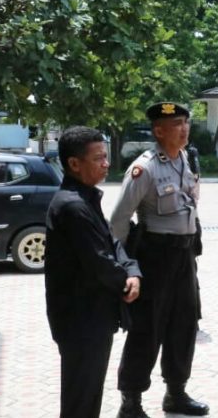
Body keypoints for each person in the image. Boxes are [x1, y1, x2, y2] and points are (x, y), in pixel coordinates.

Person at [110, 102, 209, 418]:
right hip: (155, 257)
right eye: (177, 124)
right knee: (147, 328)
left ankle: (176, 393)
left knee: (184, 324)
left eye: (185, 122)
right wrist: (125, 267)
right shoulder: (145, 168)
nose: (184, 129)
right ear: (159, 130)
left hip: (184, 256)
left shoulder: (185, 159)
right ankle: (131, 402)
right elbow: (119, 220)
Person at [45, 126, 142, 418]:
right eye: (98, 158)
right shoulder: (72, 206)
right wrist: (126, 280)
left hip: (94, 315)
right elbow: (99, 262)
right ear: (74, 164)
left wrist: (132, 270)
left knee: (88, 395)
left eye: (106, 156)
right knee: (81, 399)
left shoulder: (85, 198)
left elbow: (112, 241)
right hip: (81, 319)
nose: (106, 163)